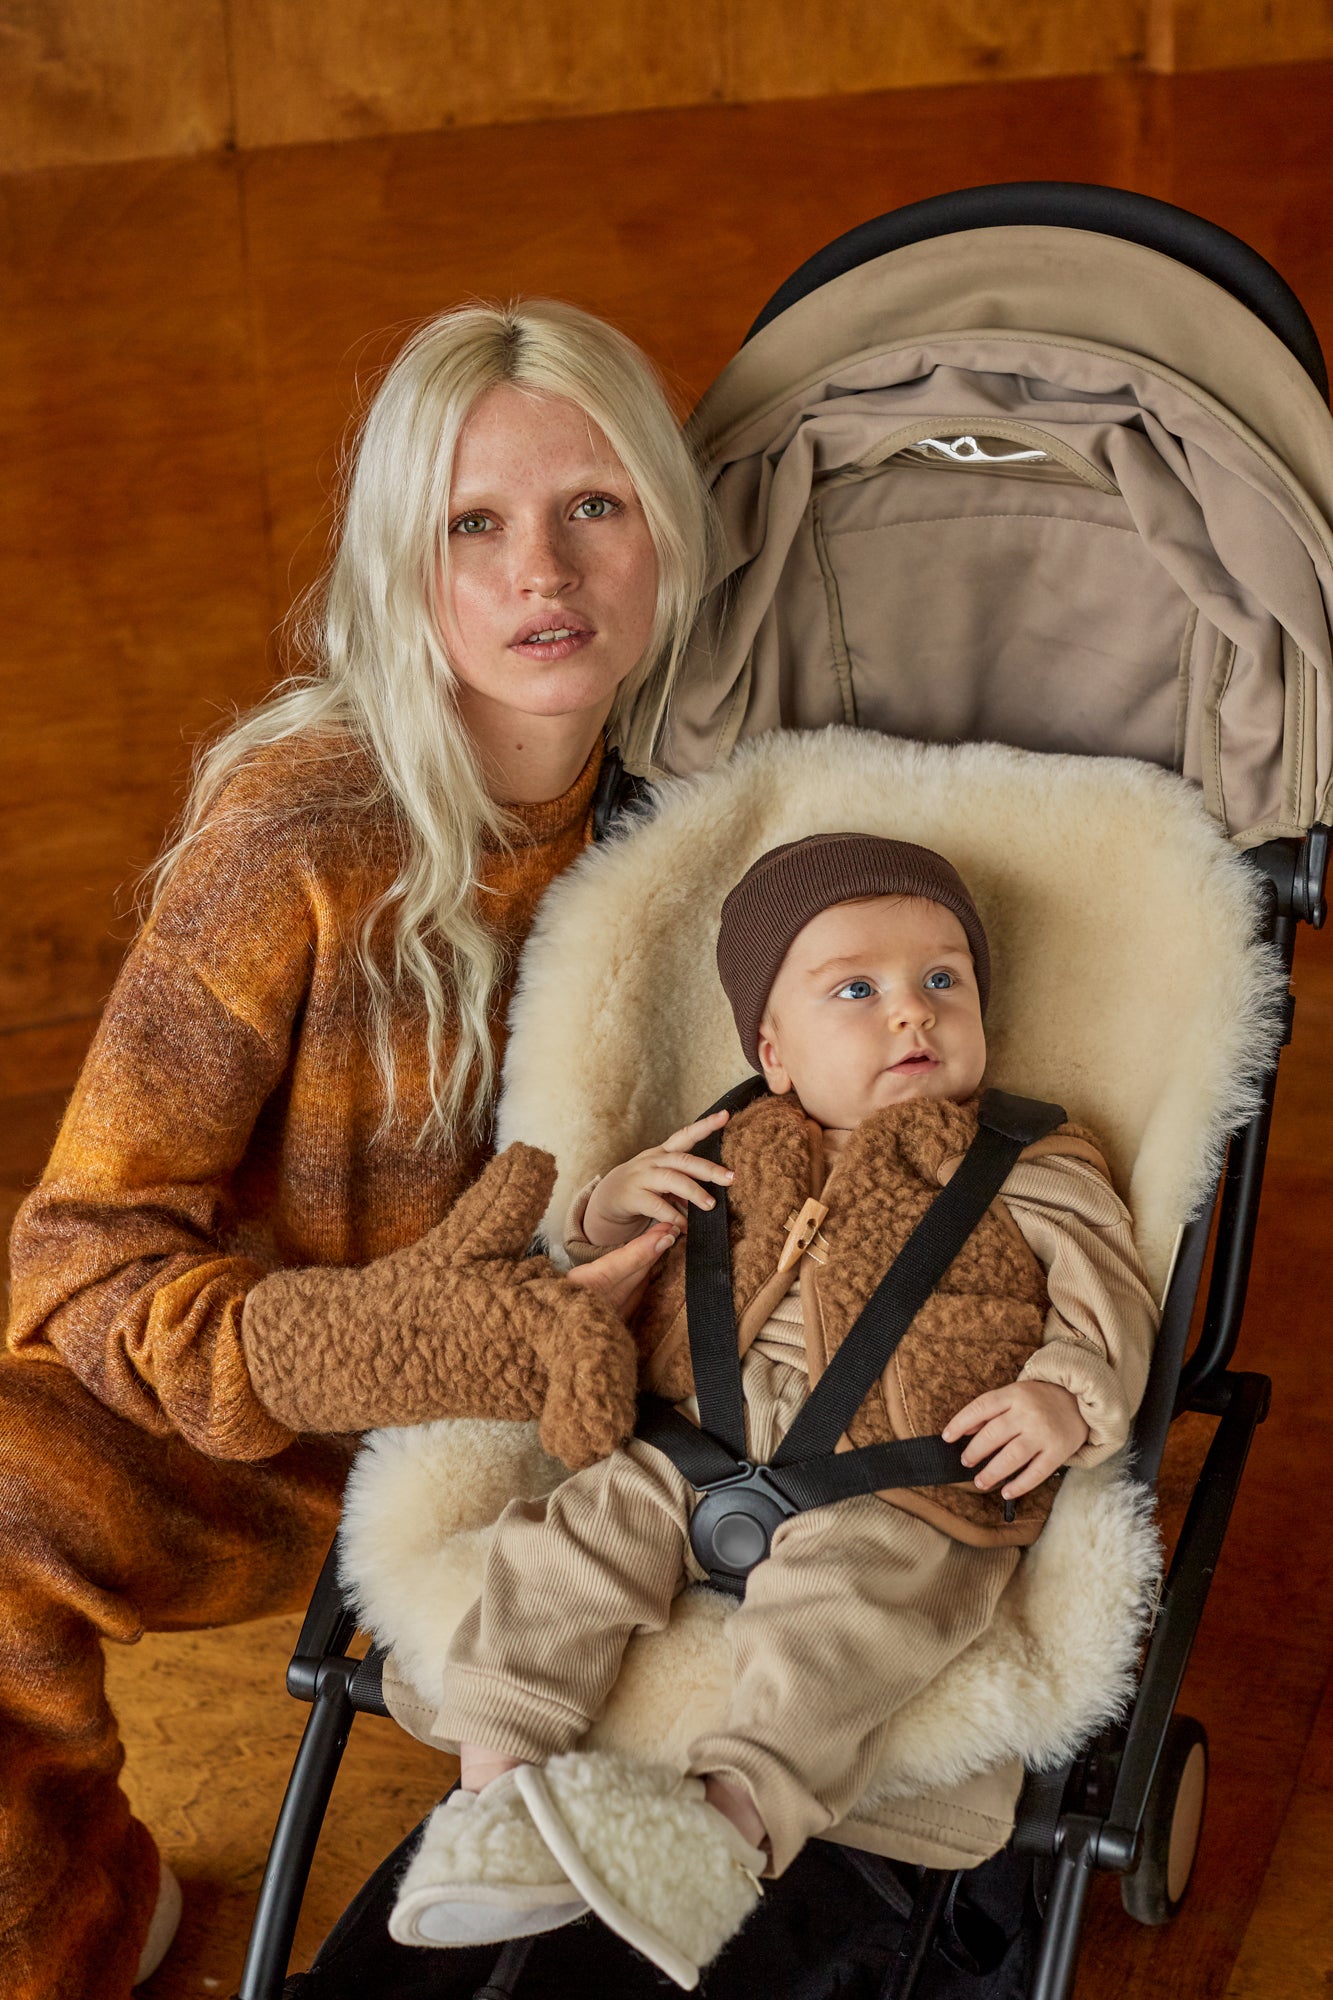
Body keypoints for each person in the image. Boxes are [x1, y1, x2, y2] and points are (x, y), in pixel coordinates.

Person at [0, 299, 713, 2000]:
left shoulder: (713, 811)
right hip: (288, 1423)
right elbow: (78, 1259)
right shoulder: (298, 837)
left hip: (616, 1409)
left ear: (669, 538)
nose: (542, 570)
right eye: (475, 524)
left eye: (593, 505)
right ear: (406, 564)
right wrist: (376, 1341)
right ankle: (79, 1925)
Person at [387, 832, 1159, 1991]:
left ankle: (719, 1832)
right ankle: (491, 1799)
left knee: (843, 1626)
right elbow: (609, 1276)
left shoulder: (1031, 1159)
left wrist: (1061, 1394)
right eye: (857, 990)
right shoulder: (727, 1144)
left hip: (899, 1478)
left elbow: (1112, 1303)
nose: (912, 1011)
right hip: (683, 1444)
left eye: (942, 979)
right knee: (558, 1552)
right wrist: (611, 1206)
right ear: (772, 1052)